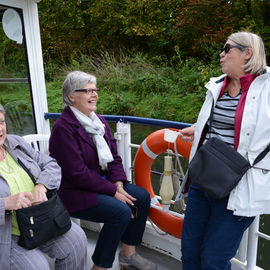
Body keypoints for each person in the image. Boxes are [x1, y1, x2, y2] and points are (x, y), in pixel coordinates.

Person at [179, 31, 270, 270]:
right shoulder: (217, 85)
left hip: (239, 186)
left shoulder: (267, 88)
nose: (221, 53)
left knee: (214, 260)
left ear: (247, 53)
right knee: (189, 251)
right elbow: (224, 122)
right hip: (204, 179)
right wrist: (197, 129)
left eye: (226, 48)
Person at [49, 70, 157, 270]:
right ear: (71, 96)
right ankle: (99, 266)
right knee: (120, 212)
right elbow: (77, 174)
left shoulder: (98, 122)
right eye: (88, 90)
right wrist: (113, 191)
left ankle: (128, 254)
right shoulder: (63, 128)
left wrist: (118, 183)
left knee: (141, 197)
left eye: (95, 89)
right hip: (75, 192)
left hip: (103, 183)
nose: (95, 94)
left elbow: (114, 158)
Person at [0, 104, 88, 270]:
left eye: (1, 122)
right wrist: (7, 203)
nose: (0, 129)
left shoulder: (15, 143)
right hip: (8, 235)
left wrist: (42, 185)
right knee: (38, 267)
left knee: (77, 240)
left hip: (40, 219)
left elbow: (51, 164)